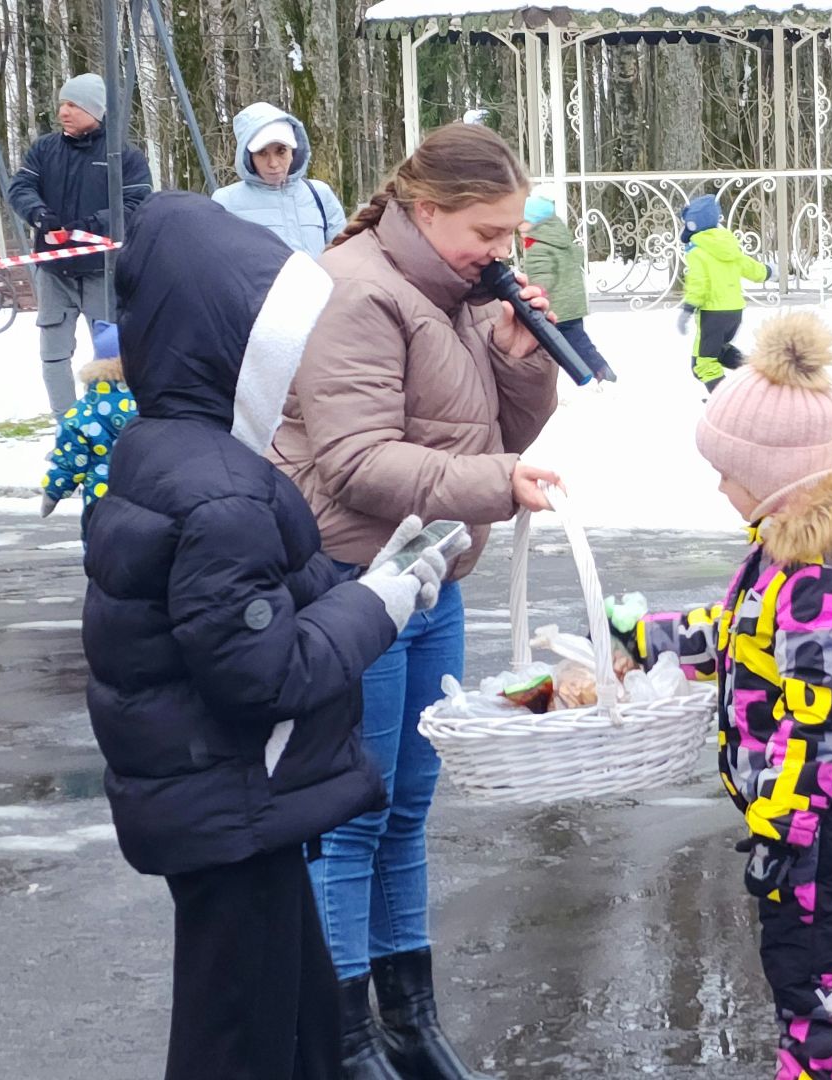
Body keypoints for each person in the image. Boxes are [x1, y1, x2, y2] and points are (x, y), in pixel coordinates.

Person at [79, 191, 449, 1080]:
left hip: (221, 806)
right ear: (225, 352)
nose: (291, 375)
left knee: (297, 1023)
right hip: (231, 807)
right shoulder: (222, 491)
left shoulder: (167, 453)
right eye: (277, 352)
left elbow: (253, 600)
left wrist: (373, 577)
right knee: (240, 1041)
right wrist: (383, 606)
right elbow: (262, 671)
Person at [270, 120, 562, 1080]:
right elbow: (357, 463)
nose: (503, 252)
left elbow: (486, 431)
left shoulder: (456, 290)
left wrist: (521, 357)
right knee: (354, 811)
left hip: (430, 576)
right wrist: (496, 484)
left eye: (513, 233)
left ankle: (407, 1017)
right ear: (426, 210)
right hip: (355, 582)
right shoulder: (358, 291)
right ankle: (342, 1035)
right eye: (488, 230)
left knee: (406, 809)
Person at [610, 311, 832, 1080]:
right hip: (819, 807)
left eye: (731, 472)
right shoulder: (788, 551)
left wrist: (784, 830)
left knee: (813, 976)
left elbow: (820, 715)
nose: (720, 485)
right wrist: (651, 638)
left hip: (826, 810)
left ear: (782, 482)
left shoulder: (817, 578)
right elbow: (742, 634)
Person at [7, 73, 153, 418]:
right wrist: (39, 214)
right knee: (53, 353)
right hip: (54, 270)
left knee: (110, 354)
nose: (64, 111)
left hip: (104, 270)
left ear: (95, 110)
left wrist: (93, 226)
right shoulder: (44, 149)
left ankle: (106, 421)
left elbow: (135, 203)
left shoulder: (124, 155)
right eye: (62, 103)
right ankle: (65, 425)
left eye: (73, 104)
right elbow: (20, 187)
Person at [214, 102, 348, 258]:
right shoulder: (226, 202)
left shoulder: (319, 194)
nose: (273, 163)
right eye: (262, 153)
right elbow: (220, 266)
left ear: (294, 151)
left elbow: (343, 257)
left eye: (281, 151)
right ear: (248, 157)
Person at [675, 193, 773, 391]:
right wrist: (767, 272)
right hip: (734, 312)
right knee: (717, 352)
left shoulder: (697, 251)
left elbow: (698, 283)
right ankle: (756, 370)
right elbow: (748, 266)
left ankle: (724, 399)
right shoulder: (728, 245)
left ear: (692, 224)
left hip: (712, 314)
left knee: (703, 365)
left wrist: (688, 308)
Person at [39, 319, 133, 521]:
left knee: (101, 550)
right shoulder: (154, 404)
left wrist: (52, 493)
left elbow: (68, 463)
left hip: (100, 508)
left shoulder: (82, 414)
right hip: (150, 502)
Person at [520, 192, 613, 380]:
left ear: (534, 222)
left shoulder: (538, 246)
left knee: (558, 346)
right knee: (578, 341)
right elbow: (577, 256)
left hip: (556, 306)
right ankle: (599, 368)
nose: (519, 227)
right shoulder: (559, 239)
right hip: (573, 303)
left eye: (522, 221)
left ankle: (589, 372)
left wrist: (534, 292)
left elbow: (541, 276)